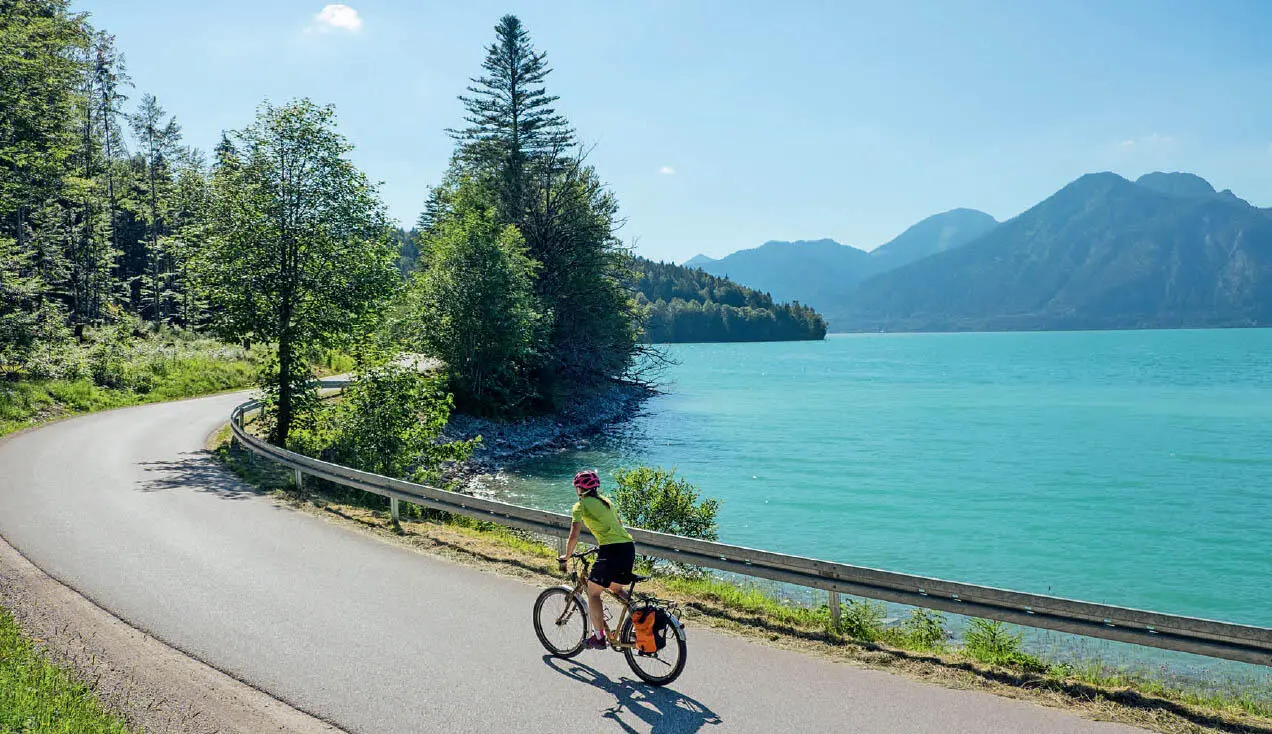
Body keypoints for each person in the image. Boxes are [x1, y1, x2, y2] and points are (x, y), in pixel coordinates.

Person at [559, 469, 635, 650]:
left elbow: (574, 533)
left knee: (593, 592)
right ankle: (638, 617)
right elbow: (618, 525)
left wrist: (567, 556)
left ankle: (599, 637)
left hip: (611, 550)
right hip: (627, 547)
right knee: (616, 589)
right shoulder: (607, 502)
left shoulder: (581, 505)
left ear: (579, 489)